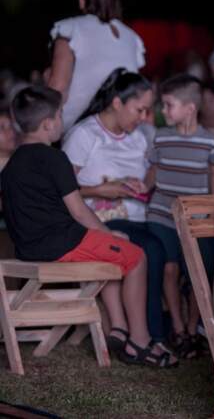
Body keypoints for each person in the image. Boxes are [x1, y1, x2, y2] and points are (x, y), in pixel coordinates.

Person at [1, 86, 175, 367]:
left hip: (28, 248)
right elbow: (80, 212)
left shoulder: (11, 165)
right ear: (48, 124)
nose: (62, 120)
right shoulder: (55, 159)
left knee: (108, 251)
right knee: (136, 256)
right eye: (60, 115)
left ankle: (118, 327)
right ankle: (139, 342)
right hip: (64, 243)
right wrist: (107, 234)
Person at [62, 69, 174, 360]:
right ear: (116, 102)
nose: (143, 116)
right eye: (139, 109)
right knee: (149, 249)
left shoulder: (140, 136)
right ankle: (146, 338)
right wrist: (101, 190)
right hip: (100, 218)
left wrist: (144, 183)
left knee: (163, 247)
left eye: (148, 110)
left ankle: (148, 335)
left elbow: (153, 166)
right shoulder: (85, 134)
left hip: (138, 215)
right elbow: (62, 189)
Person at [144, 74, 214, 358]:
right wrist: (142, 185)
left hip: (195, 218)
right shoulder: (161, 137)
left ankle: (192, 330)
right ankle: (177, 327)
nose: (163, 112)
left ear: (189, 108)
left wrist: (211, 208)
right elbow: (153, 170)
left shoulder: (209, 143)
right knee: (169, 268)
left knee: (197, 274)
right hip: (162, 213)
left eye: (168, 105)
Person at [47, 0, 146, 131]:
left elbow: (57, 87)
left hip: (74, 132)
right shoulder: (132, 38)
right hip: (121, 133)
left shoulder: (71, 29)